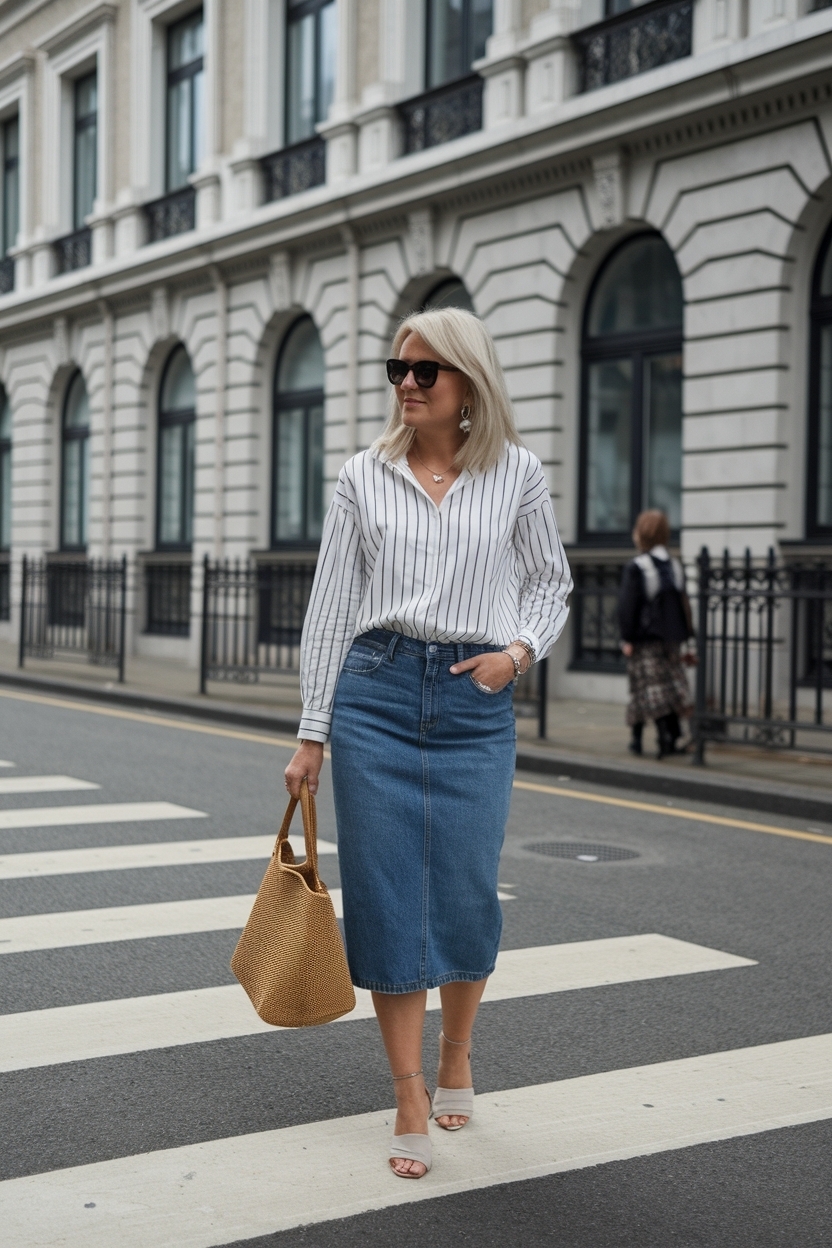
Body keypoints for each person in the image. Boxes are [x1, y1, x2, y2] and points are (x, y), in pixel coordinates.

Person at [284, 306, 571, 1179]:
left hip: (473, 703)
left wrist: (516, 654)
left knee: (464, 891)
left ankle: (458, 1054)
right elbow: (331, 610)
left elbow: (551, 584)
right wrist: (312, 735)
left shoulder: (517, 474)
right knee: (384, 895)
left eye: (424, 372)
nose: (406, 384)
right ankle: (408, 1087)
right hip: (375, 693)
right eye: (397, 371)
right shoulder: (361, 478)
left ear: (467, 385)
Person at [618, 509, 695, 759]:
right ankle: (666, 737)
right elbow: (684, 604)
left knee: (647, 689)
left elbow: (628, 607)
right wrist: (689, 639)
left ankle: (652, 738)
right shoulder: (674, 565)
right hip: (672, 640)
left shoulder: (638, 566)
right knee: (669, 687)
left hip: (645, 640)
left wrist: (627, 638)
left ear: (642, 534)